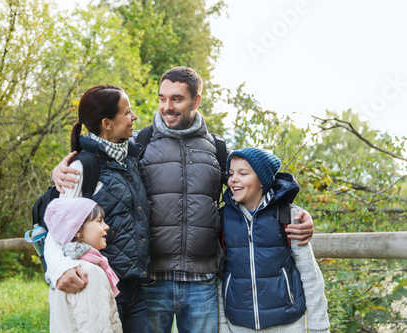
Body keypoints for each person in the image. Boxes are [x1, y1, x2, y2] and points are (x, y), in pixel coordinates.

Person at [51, 67, 315, 333]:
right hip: (149, 283)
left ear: (196, 101)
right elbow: (70, 198)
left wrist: (293, 210)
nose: (167, 107)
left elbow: (256, 181)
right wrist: (58, 173)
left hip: (202, 283)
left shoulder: (218, 149)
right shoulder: (137, 144)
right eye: (162, 98)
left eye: (176, 99)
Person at [43, 85, 152, 332]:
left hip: (137, 287)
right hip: (102, 285)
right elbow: (56, 232)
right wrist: (59, 269)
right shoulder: (83, 167)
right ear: (107, 123)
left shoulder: (130, 158)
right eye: (127, 112)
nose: (133, 117)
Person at [218, 147, 330, 333]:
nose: (233, 179)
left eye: (243, 173)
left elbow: (310, 276)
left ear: (262, 180)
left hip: (287, 325)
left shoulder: (287, 216)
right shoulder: (223, 220)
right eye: (230, 174)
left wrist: (319, 327)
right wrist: (223, 327)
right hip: (239, 325)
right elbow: (219, 277)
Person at [45, 197, 122, 332]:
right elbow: (97, 328)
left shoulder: (61, 271)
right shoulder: (87, 272)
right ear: (77, 230)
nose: (106, 226)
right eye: (99, 221)